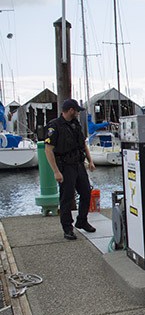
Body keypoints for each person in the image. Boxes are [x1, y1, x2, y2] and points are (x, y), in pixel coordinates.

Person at [45, 99, 97, 240]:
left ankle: (82, 221)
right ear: (71, 110)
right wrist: (56, 171)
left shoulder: (75, 125)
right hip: (65, 165)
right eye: (77, 111)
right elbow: (48, 150)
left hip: (78, 164)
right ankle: (67, 228)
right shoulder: (54, 126)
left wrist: (90, 160)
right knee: (67, 197)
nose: (78, 113)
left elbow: (83, 145)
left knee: (86, 192)